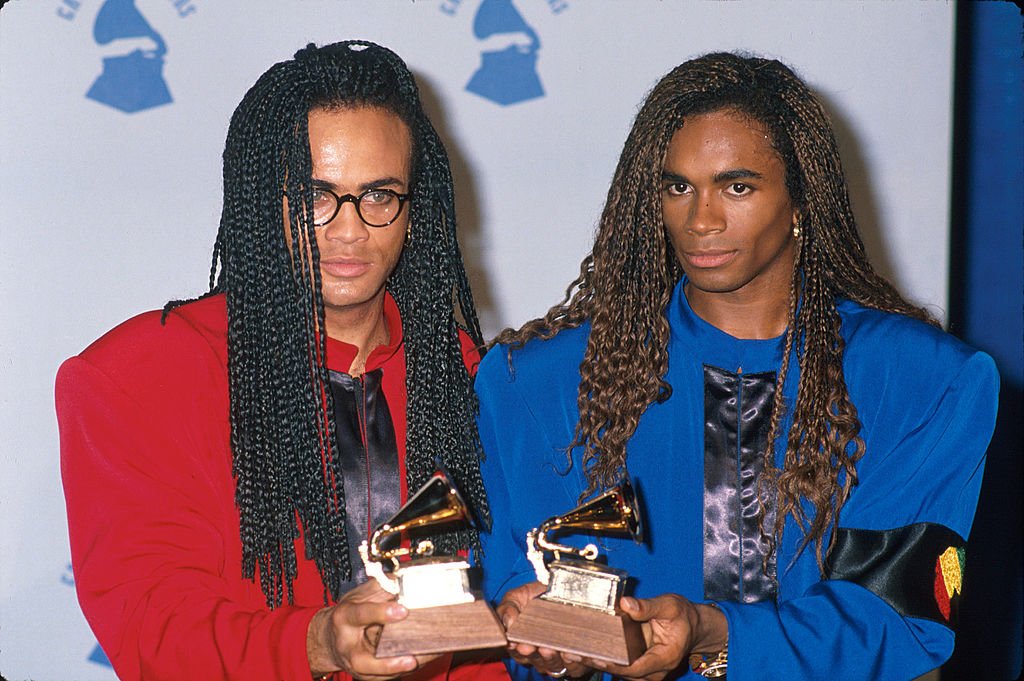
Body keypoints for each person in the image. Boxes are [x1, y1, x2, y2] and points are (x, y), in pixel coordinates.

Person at [475, 52, 999, 681]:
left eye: (737, 186)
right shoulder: (537, 382)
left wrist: (712, 635)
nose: (701, 220)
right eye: (678, 187)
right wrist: (552, 650)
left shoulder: (925, 381)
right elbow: (519, 608)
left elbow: (899, 622)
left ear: (802, 199)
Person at [57, 40, 508, 681]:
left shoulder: (469, 374)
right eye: (314, 194)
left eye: (379, 195)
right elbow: (149, 626)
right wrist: (319, 640)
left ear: (418, 209)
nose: (349, 229)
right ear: (261, 200)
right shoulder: (138, 374)